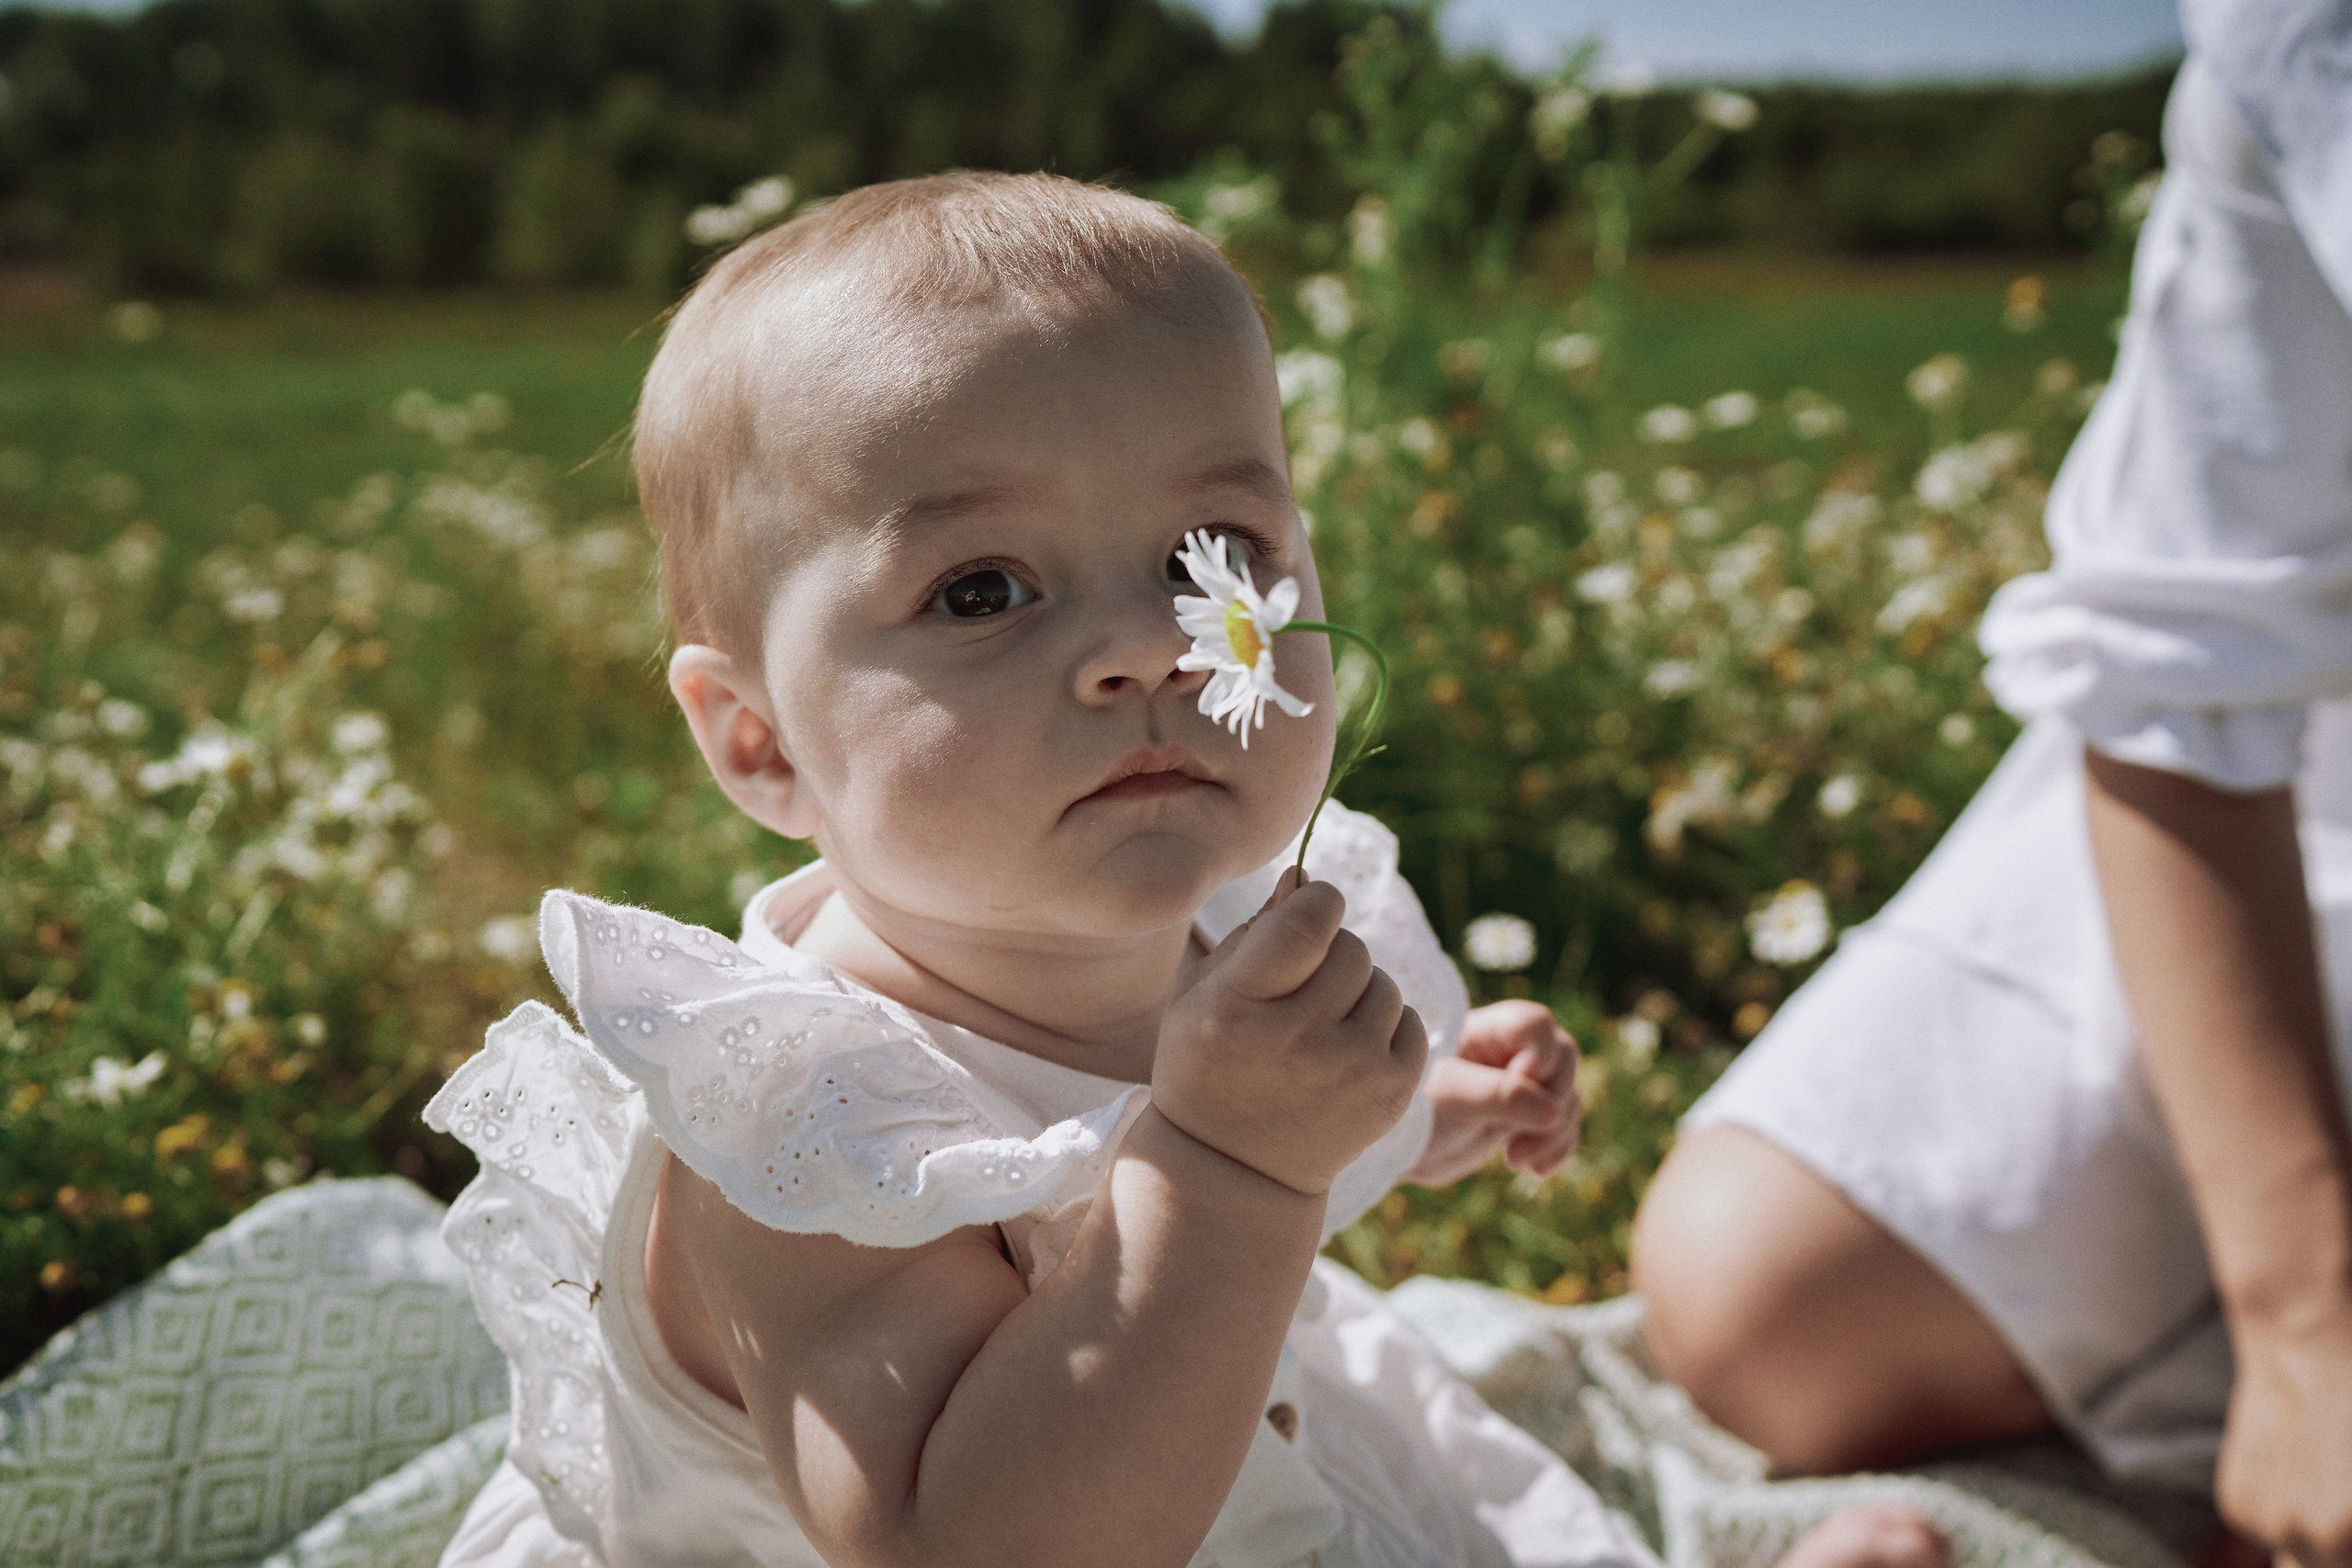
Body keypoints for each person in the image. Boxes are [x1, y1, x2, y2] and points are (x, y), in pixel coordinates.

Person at [419, 173, 1941, 1568]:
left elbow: (1168, 1108)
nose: (1155, 643)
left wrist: (1400, 1111)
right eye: (984, 589)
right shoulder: (800, 1139)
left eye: (1213, 548)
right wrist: (1233, 1169)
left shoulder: (1194, 920)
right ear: (759, 743)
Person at [1631, 1, 2352, 1562]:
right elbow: (2177, 669)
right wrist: (2306, 1328)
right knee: (1762, 1291)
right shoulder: (2311, 60)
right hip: (2313, 801)